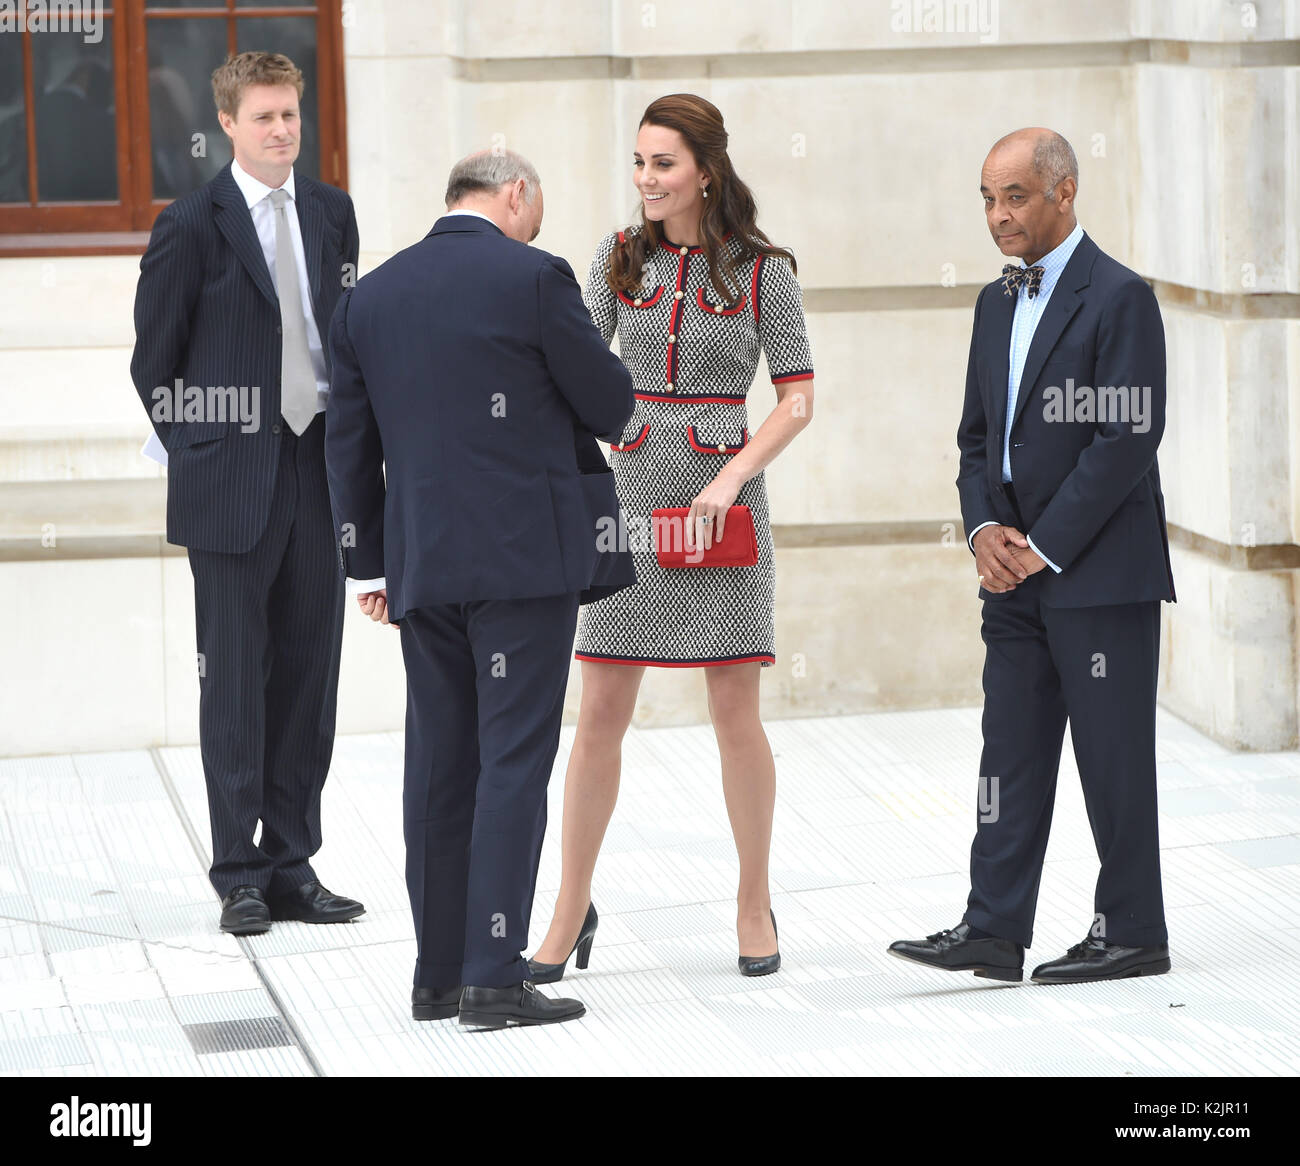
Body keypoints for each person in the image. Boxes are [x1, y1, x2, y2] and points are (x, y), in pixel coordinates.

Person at [324, 150, 636, 1030]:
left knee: (440, 763)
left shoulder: (369, 298)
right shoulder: (536, 277)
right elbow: (610, 402)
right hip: (523, 564)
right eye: (537, 208)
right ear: (517, 195)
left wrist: (369, 568)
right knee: (512, 762)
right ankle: (495, 978)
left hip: (423, 566)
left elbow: (346, 446)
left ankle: (438, 977)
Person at [528, 93, 815, 982]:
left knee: (736, 712)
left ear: (706, 171)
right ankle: (569, 906)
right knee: (599, 714)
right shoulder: (616, 259)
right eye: (641, 163)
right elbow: (567, 367)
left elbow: (798, 397)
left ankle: (753, 898)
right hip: (630, 500)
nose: (648, 180)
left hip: (726, 506)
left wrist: (732, 478)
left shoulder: (764, 269)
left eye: (665, 164)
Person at [888, 128, 1176, 985]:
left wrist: (1042, 547)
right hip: (1009, 576)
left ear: (1064, 192)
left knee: (1112, 757)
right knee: (1006, 755)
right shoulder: (992, 303)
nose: (998, 215)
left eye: (1014, 196)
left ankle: (1132, 930)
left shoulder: (1121, 297)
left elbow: (1126, 437)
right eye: (986, 197)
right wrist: (984, 534)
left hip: (1096, 574)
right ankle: (993, 927)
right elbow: (977, 440)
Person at [129, 51, 363, 936]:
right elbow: (155, 360)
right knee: (233, 681)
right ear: (226, 123)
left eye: (291, 115)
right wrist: (202, 449)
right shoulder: (190, 224)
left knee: (309, 675)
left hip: (318, 470)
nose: (281, 131)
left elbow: (341, 332)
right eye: (263, 117)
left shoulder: (334, 212)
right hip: (231, 484)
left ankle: (293, 862)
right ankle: (240, 875)